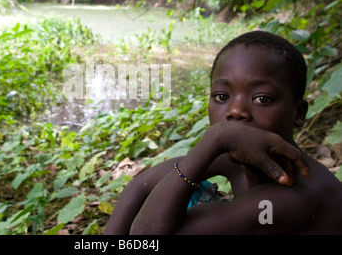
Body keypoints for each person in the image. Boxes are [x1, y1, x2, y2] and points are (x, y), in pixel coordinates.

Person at [104, 31, 342, 235]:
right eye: (222, 97)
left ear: (298, 113)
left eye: (262, 98)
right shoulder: (240, 159)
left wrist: (216, 138)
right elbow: (141, 184)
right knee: (177, 185)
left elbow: (148, 235)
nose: (236, 111)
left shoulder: (295, 198)